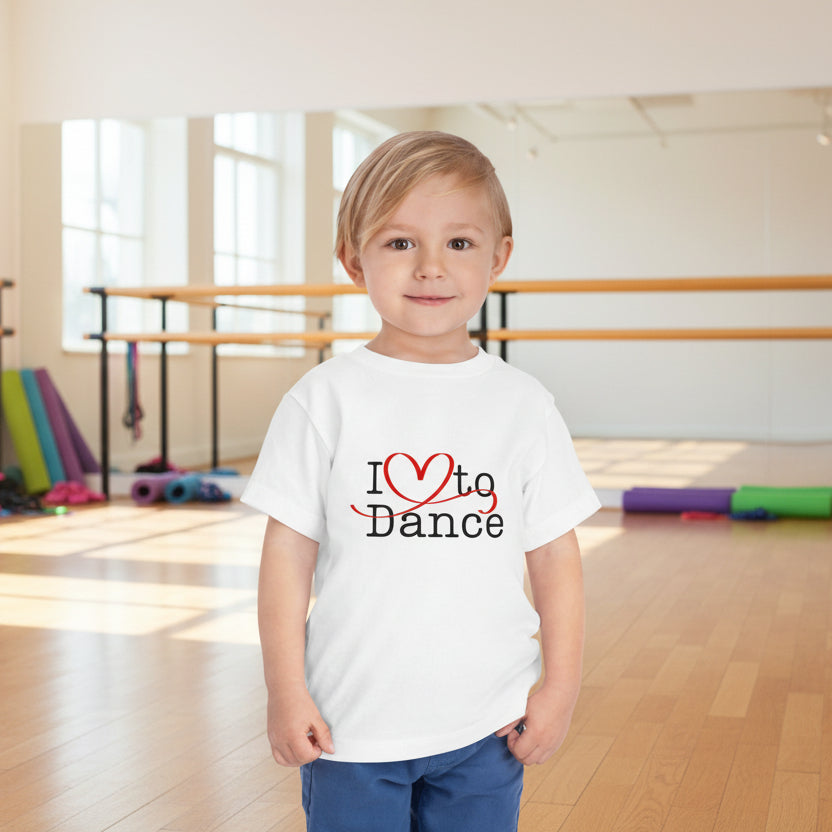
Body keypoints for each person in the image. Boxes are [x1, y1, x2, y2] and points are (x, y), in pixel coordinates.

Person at [241, 130, 600, 832]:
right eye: (401, 243)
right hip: (351, 727)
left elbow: (555, 554)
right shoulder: (324, 400)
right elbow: (286, 556)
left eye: (459, 244)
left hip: (488, 722)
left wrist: (560, 685)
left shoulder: (524, 406)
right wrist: (285, 690)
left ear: (498, 257)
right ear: (353, 259)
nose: (431, 268)